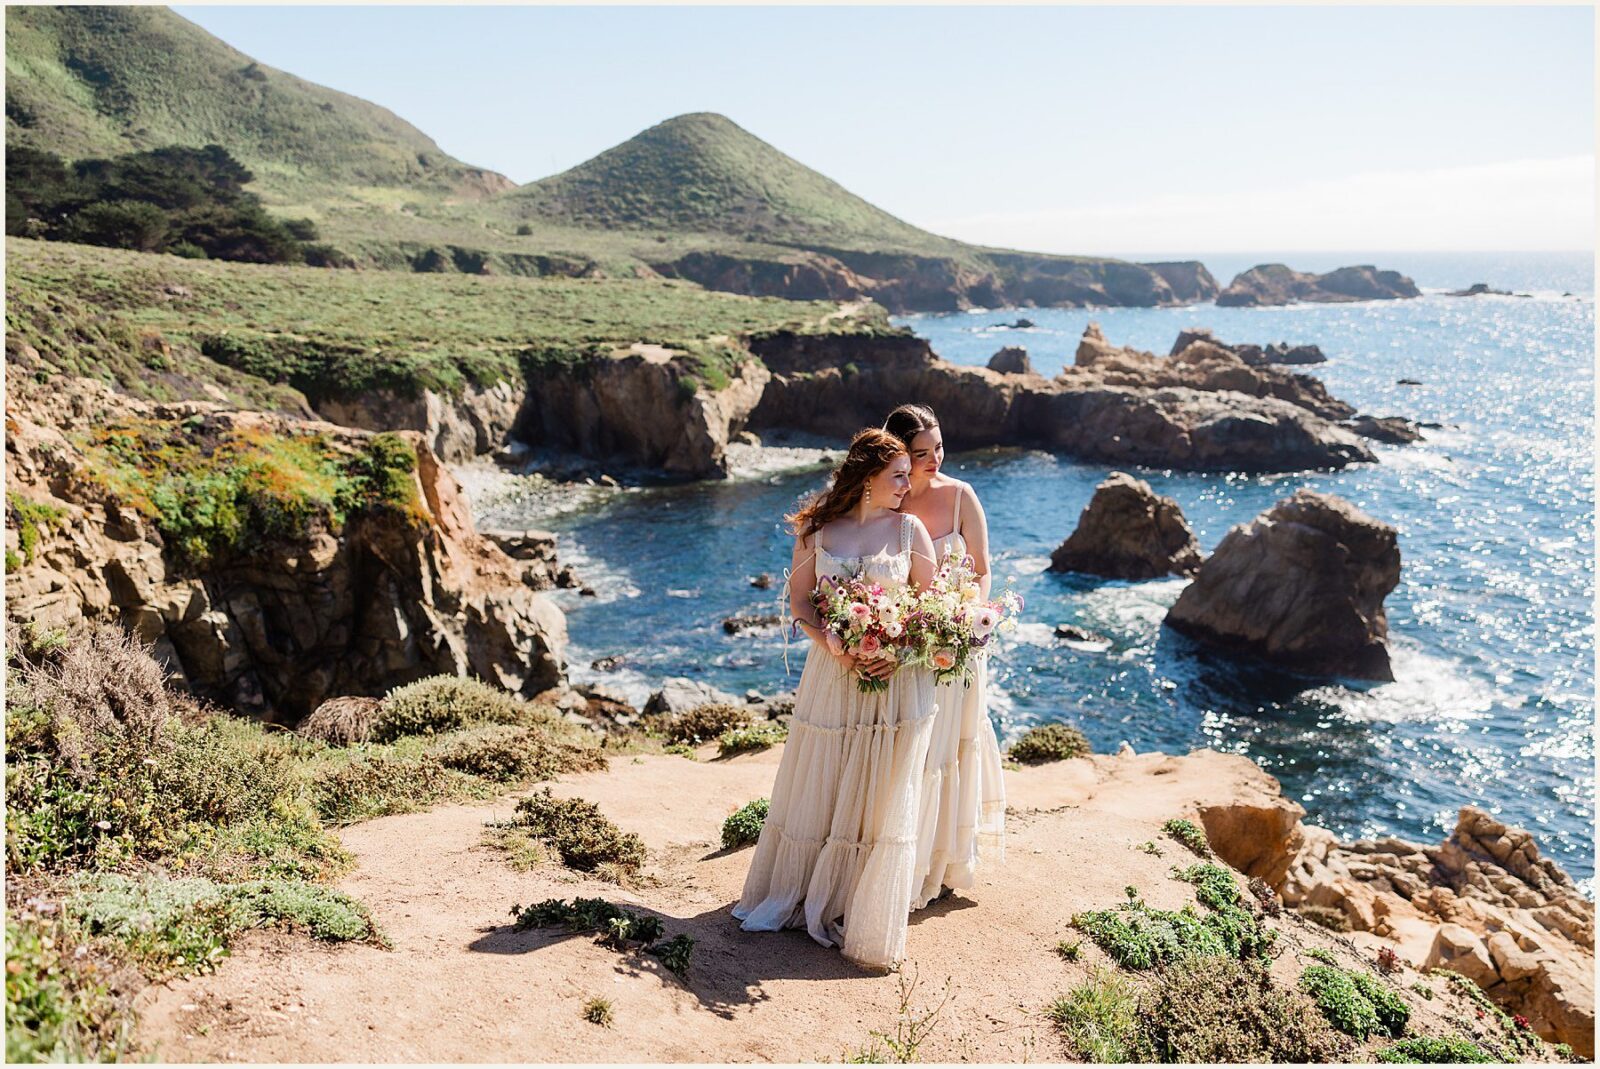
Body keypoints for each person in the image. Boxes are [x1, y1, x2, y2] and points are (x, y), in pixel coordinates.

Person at [733, 428, 939, 970]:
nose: (908, 481)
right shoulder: (817, 533)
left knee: (882, 789)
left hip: (897, 679)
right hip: (833, 674)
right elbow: (800, 603)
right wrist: (830, 640)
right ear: (867, 478)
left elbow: (933, 611)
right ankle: (806, 894)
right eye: (898, 474)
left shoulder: (910, 529)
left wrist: (898, 652)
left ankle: (859, 904)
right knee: (826, 781)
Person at [882, 403, 1007, 910]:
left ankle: (942, 863)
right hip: (905, 648)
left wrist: (967, 613)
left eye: (938, 447)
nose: (933, 458)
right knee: (909, 752)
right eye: (919, 452)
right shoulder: (884, 503)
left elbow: (981, 569)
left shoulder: (961, 497)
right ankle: (896, 863)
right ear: (896, 455)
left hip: (956, 646)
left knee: (948, 750)